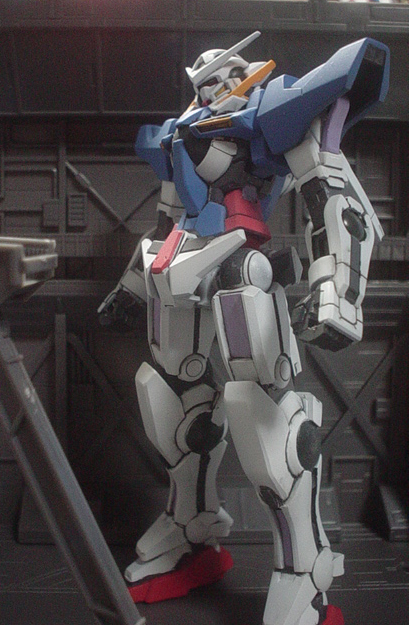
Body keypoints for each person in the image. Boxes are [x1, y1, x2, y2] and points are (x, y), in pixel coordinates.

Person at [99, 31, 389, 625]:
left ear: (243, 73)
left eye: (225, 78)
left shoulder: (267, 113)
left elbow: (329, 187)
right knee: (175, 404)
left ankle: (304, 569)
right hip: (176, 272)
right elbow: (168, 220)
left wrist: (335, 287)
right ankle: (192, 529)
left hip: (240, 269)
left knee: (266, 418)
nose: (216, 89)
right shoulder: (179, 134)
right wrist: (131, 286)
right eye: (205, 83)